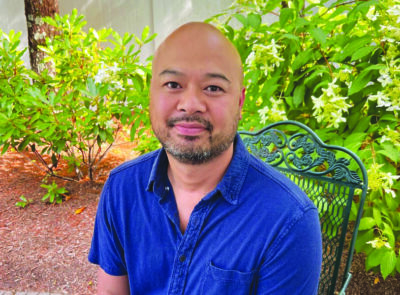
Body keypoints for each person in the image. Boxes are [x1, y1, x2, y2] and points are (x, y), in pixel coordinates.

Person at [89, 22, 322, 294]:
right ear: (151, 95)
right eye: (173, 84)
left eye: (213, 88)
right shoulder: (122, 188)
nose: (191, 104)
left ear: (239, 102)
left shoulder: (288, 220)